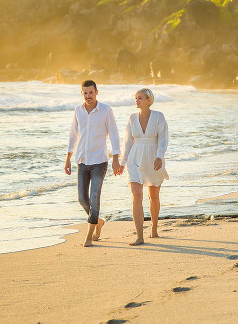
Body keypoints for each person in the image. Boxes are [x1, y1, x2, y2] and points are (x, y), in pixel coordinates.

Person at [65, 80, 121, 247]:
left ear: (97, 92)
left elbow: (114, 135)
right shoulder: (78, 111)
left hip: (99, 161)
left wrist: (116, 159)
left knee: (94, 198)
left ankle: (89, 236)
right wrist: (68, 158)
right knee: (82, 199)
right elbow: (73, 136)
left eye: (91, 92)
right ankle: (98, 221)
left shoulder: (105, 110)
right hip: (82, 160)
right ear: (82, 93)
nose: (88, 96)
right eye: (85, 93)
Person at [119, 88, 169, 246]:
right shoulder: (132, 118)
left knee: (153, 197)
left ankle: (154, 228)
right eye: (135, 98)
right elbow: (127, 142)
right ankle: (139, 236)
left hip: (154, 159)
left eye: (140, 98)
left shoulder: (159, 116)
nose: (137, 101)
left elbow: (163, 139)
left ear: (149, 100)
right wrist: (122, 163)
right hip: (134, 159)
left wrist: (160, 156)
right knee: (136, 196)